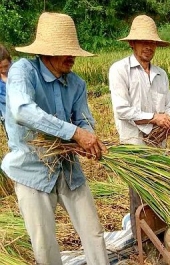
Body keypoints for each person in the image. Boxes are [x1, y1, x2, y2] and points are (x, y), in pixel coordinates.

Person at [1, 12, 109, 265]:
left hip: (69, 168)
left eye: (73, 51)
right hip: (32, 169)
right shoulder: (23, 71)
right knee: (45, 244)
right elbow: (21, 110)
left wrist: (86, 134)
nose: (71, 56)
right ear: (47, 51)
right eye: (65, 50)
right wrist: (74, 133)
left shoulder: (76, 84)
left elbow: (84, 120)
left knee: (94, 234)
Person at [108, 15, 170, 238]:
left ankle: (162, 235)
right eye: (143, 42)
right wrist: (155, 118)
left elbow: (169, 104)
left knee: (160, 189)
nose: (148, 47)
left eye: (152, 43)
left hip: (158, 143)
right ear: (132, 43)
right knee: (139, 195)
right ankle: (143, 241)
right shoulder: (119, 70)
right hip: (135, 143)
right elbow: (122, 110)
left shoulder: (160, 74)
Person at [0, 44, 12, 119]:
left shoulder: (18, 73)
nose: (4, 70)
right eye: (0, 67)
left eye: (6, 66)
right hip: (6, 118)